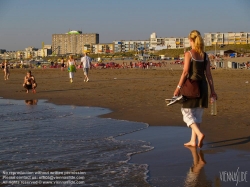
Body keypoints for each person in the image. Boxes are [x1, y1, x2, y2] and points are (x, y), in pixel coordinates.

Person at [173, 30, 217, 148]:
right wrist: (212, 91)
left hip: (192, 86)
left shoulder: (189, 54)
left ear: (191, 40)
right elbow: (209, 75)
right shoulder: (205, 55)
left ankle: (199, 134)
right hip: (203, 86)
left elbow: (185, 72)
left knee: (186, 112)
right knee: (197, 114)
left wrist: (178, 87)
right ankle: (193, 140)